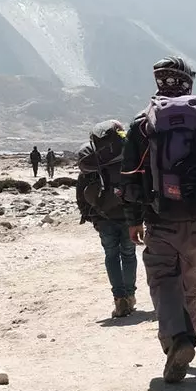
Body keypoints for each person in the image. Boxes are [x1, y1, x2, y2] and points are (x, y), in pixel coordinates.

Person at [120, 57, 196, 385]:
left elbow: (130, 177)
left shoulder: (143, 122)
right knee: (187, 281)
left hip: (159, 217)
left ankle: (177, 341)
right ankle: (187, 340)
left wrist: (133, 218)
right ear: (187, 83)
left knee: (162, 279)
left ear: (160, 82)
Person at [76, 120, 137, 319]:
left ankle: (119, 300)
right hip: (128, 214)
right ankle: (130, 295)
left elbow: (81, 190)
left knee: (111, 256)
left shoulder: (92, 159)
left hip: (102, 216)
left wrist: (88, 215)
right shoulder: (126, 154)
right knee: (128, 255)